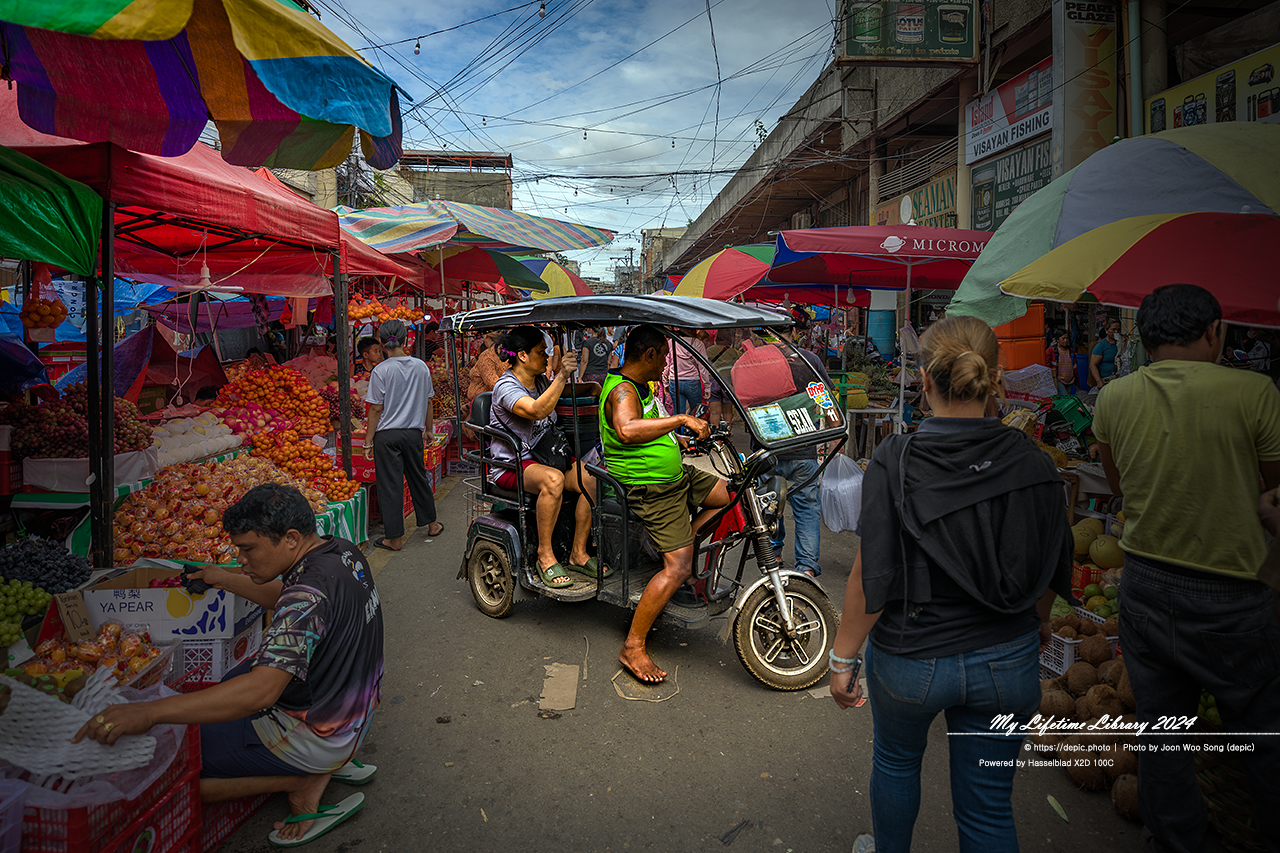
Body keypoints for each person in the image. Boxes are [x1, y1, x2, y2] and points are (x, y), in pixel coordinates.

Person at [828, 315, 1072, 853]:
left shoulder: (895, 459)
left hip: (911, 657)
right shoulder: (1036, 464)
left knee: (895, 764)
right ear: (993, 380)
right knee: (987, 808)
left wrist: (843, 659)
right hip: (1007, 660)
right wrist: (1037, 628)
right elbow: (1052, 561)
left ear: (926, 380)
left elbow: (873, 574)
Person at [75, 484, 382, 847]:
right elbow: (289, 601)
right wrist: (223, 579)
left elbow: (261, 691)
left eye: (248, 549)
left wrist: (150, 712)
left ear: (290, 538)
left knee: (174, 759)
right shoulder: (338, 551)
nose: (242, 560)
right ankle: (318, 764)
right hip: (358, 715)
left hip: (322, 736)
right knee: (233, 680)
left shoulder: (305, 598)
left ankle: (301, 779)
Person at [1092, 284, 1280, 853]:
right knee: (1264, 740)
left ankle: (1176, 842)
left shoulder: (1115, 398)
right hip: (1238, 593)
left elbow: (1118, 485)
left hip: (1145, 585)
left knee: (1161, 735)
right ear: (1215, 332)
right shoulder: (1257, 392)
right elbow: (1275, 492)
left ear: (1144, 341)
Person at [600, 324, 732, 683]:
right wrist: (681, 418)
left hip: (676, 479)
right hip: (650, 489)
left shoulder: (643, 388)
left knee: (730, 496)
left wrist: (680, 438)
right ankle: (633, 645)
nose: (666, 365)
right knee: (679, 569)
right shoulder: (624, 390)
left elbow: (650, 427)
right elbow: (627, 429)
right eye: (664, 356)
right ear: (650, 355)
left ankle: (674, 548)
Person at [488, 326, 600, 587]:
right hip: (513, 464)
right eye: (542, 352)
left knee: (592, 477)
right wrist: (562, 375)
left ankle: (578, 553)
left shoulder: (539, 382)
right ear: (523, 355)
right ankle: (545, 555)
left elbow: (555, 399)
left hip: (547, 455)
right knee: (553, 481)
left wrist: (593, 388)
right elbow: (538, 410)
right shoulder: (506, 386)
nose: (547, 357)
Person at [364, 320, 443, 550]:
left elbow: (376, 409)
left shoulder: (381, 370)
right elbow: (428, 402)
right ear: (406, 339)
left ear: (382, 341)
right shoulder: (420, 366)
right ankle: (433, 524)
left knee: (390, 485)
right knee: (418, 477)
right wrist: (428, 430)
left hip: (387, 437)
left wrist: (368, 442)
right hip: (412, 434)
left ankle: (394, 538)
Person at [765, 322, 832, 577]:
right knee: (805, 509)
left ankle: (773, 554)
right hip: (803, 449)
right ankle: (806, 568)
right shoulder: (809, 360)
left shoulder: (757, 363)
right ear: (793, 333)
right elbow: (823, 398)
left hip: (767, 448)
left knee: (771, 505)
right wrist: (834, 426)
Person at [662, 328, 711, 422]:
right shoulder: (698, 343)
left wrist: (666, 382)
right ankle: (695, 435)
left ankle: (679, 435)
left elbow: (667, 365)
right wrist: (707, 386)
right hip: (693, 381)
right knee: (696, 414)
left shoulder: (672, 342)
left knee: (678, 415)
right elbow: (703, 367)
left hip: (674, 380)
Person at [466, 331, 505, 407]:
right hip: (489, 403)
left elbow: (493, 384)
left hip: (486, 405)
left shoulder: (487, 356)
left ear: (486, 336)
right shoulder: (504, 351)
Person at [1088, 318, 1122, 388]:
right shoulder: (1101, 345)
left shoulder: (1122, 344)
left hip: (1120, 381)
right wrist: (1099, 381)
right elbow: (1092, 365)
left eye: (1118, 330)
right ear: (1106, 330)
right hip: (1106, 381)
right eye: (1113, 330)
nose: (1116, 332)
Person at [1044, 329, 1079, 396]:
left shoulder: (1071, 352)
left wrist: (1077, 382)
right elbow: (1047, 366)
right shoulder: (1051, 351)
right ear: (1057, 339)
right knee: (1064, 397)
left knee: (1067, 399)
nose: (1066, 340)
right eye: (1063, 338)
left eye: (1067, 338)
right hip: (1059, 380)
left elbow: (1074, 368)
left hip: (1070, 380)